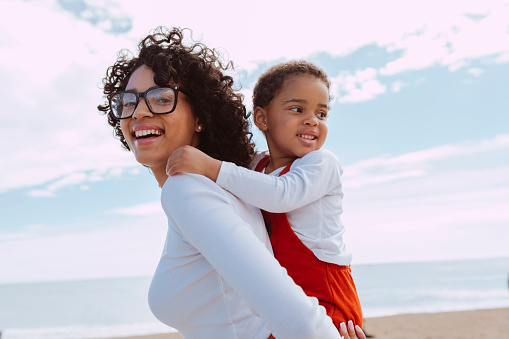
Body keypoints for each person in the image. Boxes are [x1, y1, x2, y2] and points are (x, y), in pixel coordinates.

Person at [98, 27, 366, 339]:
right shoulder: (233, 187)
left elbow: (299, 320)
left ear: (201, 116)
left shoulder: (187, 189)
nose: (140, 110)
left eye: (161, 98)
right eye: (128, 101)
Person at [166, 60, 363, 331]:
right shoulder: (255, 167)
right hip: (287, 296)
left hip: (326, 294)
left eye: (322, 113)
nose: (312, 120)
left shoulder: (321, 164)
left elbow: (281, 194)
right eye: (297, 109)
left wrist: (211, 167)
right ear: (262, 118)